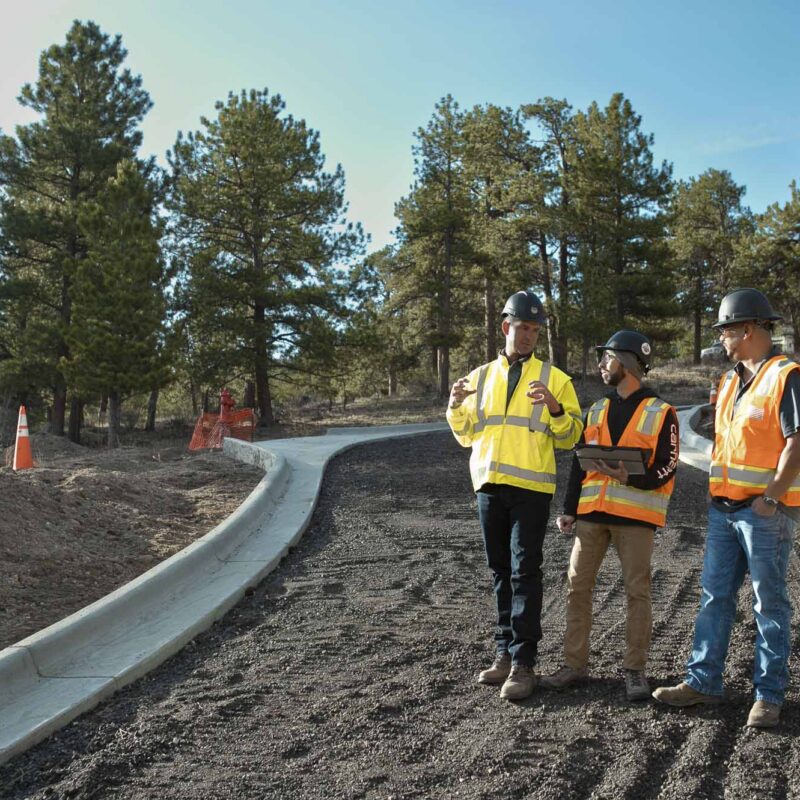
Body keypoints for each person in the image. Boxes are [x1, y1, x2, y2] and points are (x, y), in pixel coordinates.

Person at [653, 288, 800, 729]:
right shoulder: (732, 379)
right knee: (714, 597)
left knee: (768, 603)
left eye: (726, 330)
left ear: (748, 329)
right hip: (723, 510)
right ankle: (703, 682)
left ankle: (769, 694)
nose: (721, 338)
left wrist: (771, 497)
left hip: (763, 515)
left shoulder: (787, 375)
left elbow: (797, 442)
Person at [447, 290, 583, 701]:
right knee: (499, 572)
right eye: (523, 327)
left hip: (531, 489)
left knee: (525, 572)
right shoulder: (479, 377)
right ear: (506, 327)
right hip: (488, 486)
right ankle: (503, 654)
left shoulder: (555, 378)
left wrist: (557, 409)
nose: (528, 336)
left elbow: (572, 436)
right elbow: (466, 434)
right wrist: (454, 406)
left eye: (535, 330)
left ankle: (524, 664)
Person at [539, 331, 679, 701]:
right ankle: (574, 665)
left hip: (635, 518)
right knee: (577, 588)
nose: (601, 365)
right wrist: (570, 509)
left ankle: (634, 671)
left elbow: (668, 466)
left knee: (637, 592)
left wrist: (632, 476)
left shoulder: (661, 412)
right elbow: (579, 462)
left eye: (608, 358)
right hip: (590, 516)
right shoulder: (597, 409)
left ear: (629, 363)